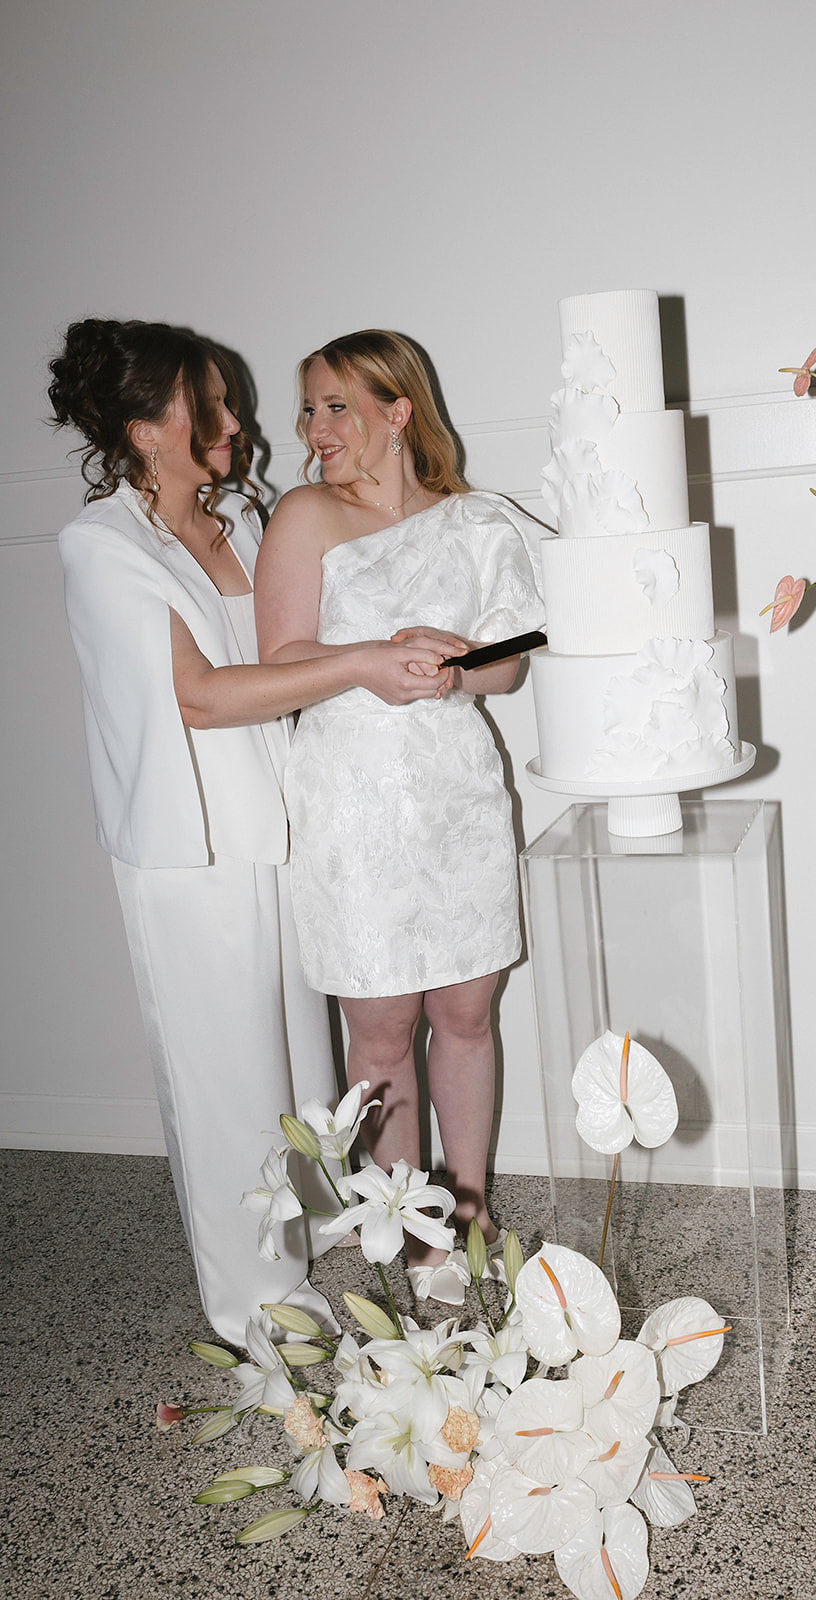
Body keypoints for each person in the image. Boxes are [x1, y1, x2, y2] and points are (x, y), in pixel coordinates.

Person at [49, 318, 464, 1342]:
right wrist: (362, 663)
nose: (237, 423)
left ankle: (309, 1233)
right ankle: (255, 1302)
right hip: (193, 848)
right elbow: (195, 695)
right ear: (147, 429)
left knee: (296, 1061)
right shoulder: (101, 545)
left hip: (284, 818)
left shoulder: (237, 517)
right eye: (211, 405)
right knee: (226, 1077)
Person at [254, 329, 544, 1295]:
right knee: (379, 1030)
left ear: (398, 411)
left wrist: (459, 663)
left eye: (337, 406)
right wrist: (371, 662)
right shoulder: (305, 514)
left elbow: (509, 662)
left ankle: (472, 1210)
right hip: (351, 799)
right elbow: (281, 658)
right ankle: (409, 1226)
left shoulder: (476, 520)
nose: (316, 427)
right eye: (309, 409)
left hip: (456, 795)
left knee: (466, 1012)